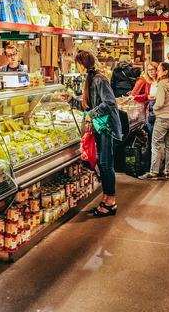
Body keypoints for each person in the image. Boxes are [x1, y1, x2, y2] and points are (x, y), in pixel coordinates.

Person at [57, 51, 121, 217]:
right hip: (100, 128)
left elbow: (110, 103)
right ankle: (106, 198)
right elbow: (88, 106)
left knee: (106, 164)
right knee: (101, 163)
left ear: (81, 63)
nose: (76, 65)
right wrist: (71, 100)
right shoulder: (91, 79)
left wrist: (91, 114)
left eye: (77, 62)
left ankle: (111, 202)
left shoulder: (99, 79)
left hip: (106, 127)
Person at [140, 62, 169, 180]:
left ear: (165, 72)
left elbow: (161, 102)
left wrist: (155, 108)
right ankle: (168, 171)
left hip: (163, 117)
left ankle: (153, 172)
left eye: (158, 70)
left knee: (156, 144)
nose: (157, 72)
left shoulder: (162, 84)